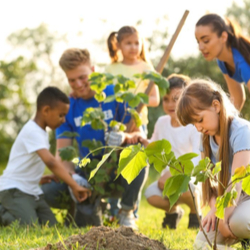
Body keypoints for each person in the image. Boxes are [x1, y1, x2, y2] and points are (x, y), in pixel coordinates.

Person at [41, 48, 146, 229]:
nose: (78, 84)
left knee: (137, 153)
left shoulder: (117, 94)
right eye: (72, 80)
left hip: (117, 172)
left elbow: (140, 137)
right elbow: (63, 153)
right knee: (49, 192)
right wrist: (72, 178)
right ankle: (86, 206)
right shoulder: (68, 106)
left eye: (82, 77)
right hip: (88, 174)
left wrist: (124, 136)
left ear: (93, 70)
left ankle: (126, 212)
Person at [0, 86, 91, 226]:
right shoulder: (33, 131)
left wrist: (40, 178)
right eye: (61, 115)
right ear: (46, 110)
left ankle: (20, 211)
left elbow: (26, 163)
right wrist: (74, 185)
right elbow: (51, 162)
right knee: (30, 227)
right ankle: (2, 214)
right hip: (13, 190)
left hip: (31, 192)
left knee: (51, 226)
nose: (63, 120)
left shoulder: (41, 132)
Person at [176, 78, 250, 249]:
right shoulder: (206, 140)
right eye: (193, 124)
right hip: (233, 201)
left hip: (242, 193)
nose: (198, 128)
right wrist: (214, 209)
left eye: (199, 120)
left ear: (216, 106)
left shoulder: (241, 132)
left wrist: (222, 218)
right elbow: (208, 183)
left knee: (239, 223)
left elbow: (236, 182)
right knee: (202, 244)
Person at [105, 25, 160, 219]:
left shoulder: (146, 68)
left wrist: (139, 101)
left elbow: (155, 99)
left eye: (137, 43)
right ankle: (112, 209)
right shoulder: (111, 69)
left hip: (138, 125)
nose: (133, 47)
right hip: (117, 124)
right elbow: (105, 98)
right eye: (128, 43)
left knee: (135, 163)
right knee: (114, 165)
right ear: (118, 45)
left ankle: (130, 211)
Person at [140, 74, 202, 229]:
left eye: (176, 98)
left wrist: (175, 173)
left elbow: (197, 157)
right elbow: (154, 144)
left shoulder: (193, 125)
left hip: (190, 177)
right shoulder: (162, 122)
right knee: (151, 195)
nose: (170, 104)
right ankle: (173, 212)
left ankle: (195, 212)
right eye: (166, 99)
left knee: (187, 189)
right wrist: (139, 138)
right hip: (166, 180)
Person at [195, 13, 250, 111]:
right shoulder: (222, 61)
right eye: (198, 41)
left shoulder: (242, 62)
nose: (200, 47)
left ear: (224, 37)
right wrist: (225, 123)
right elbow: (237, 99)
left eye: (206, 40)